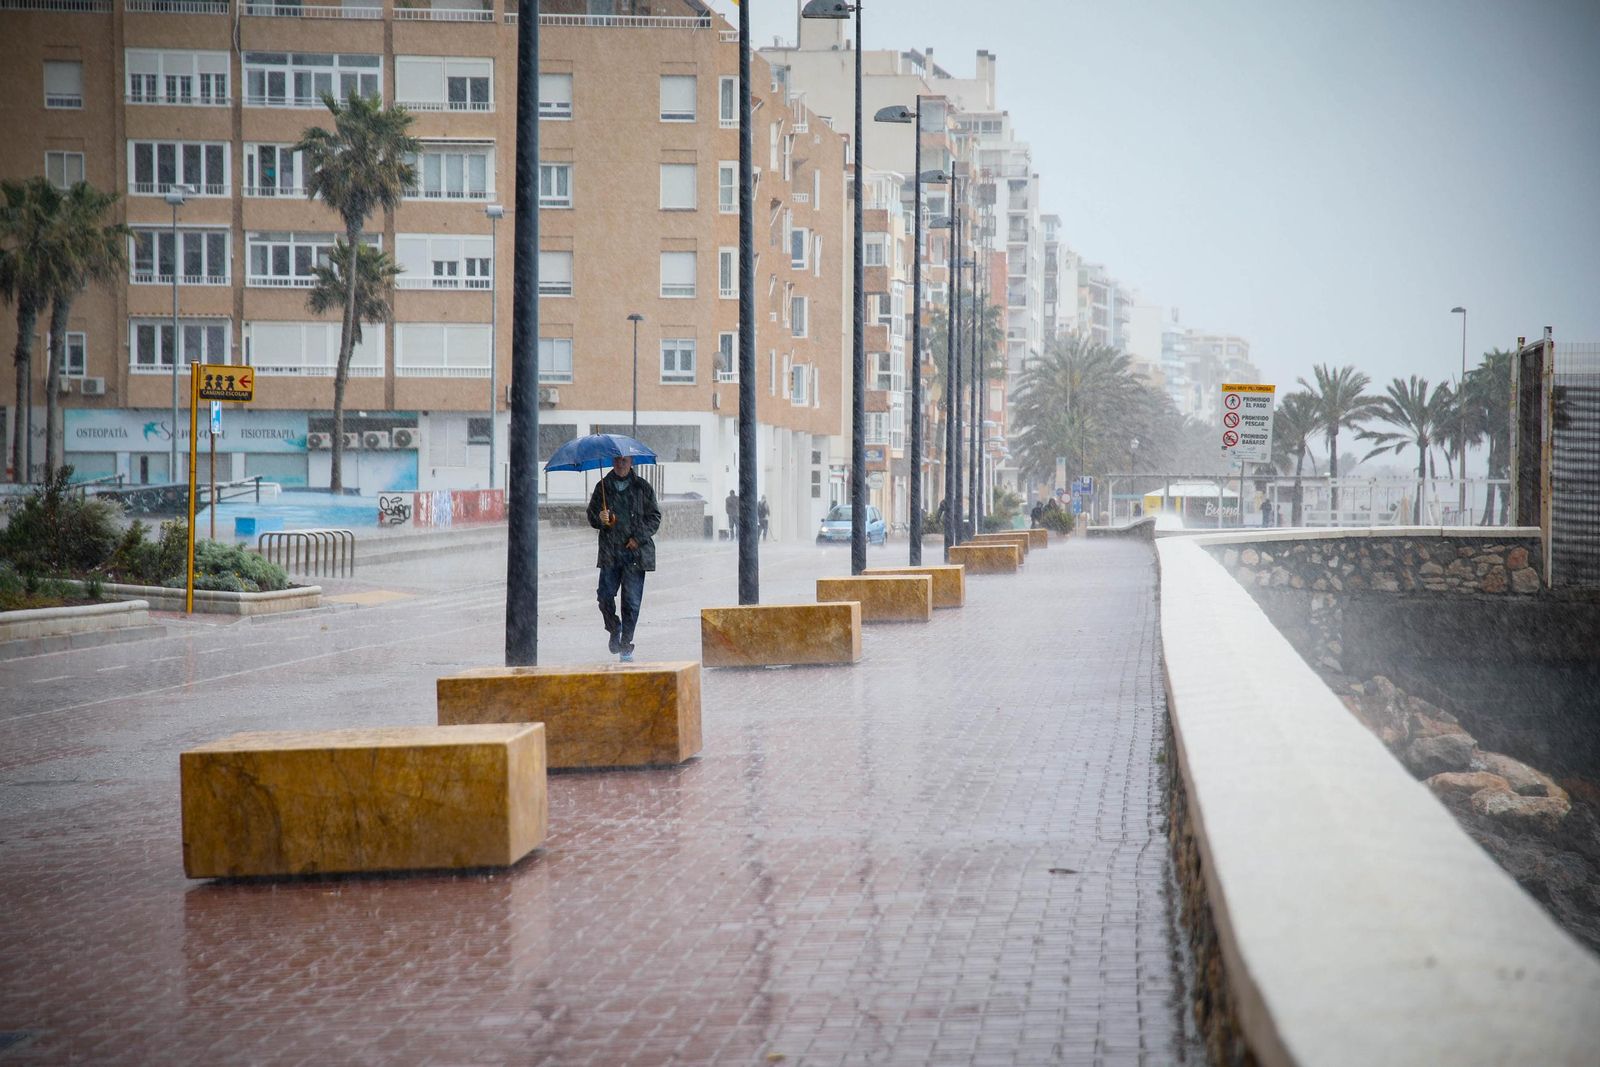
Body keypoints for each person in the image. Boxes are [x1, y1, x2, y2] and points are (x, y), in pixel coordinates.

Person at [587, 455, 661, 662]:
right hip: (611, 553)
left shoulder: (642, 487)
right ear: (613, 462)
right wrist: (600, 519)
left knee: (631, 603)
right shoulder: (602, 487)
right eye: (618, 460)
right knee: (604, 596)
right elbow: (592, 516)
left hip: (635, 555)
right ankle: (614, 628)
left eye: (625, 461)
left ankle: (626, 644)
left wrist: (638, 538)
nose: (621, 464)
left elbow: (654, 517)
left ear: (631, 463)